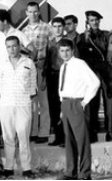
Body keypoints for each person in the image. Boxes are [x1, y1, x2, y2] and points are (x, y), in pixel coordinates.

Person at [77, 11, 112, 143]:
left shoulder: (107, 35)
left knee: (109, 105)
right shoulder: (82, 37)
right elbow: (78, 54)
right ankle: (92, 134)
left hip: (107, 74)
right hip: (92, 76)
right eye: (92, 20)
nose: (95, 22)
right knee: (92, 105)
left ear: (99, 21)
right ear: (87, 22)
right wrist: (85, 40)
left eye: (96, 20)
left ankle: (110, 133)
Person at [57, 38, 100, 180]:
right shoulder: (63, 66)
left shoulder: (79, 64)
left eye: (67, 50)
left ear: (72, 50)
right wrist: (63, 108)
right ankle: (71, 172)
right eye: (62, 51)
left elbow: (94, 83)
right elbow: (63, 89)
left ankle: (85, 174)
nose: (65, 53)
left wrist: (85, 101)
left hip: (77, 103)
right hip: (66, 104)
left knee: (82, 140)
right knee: (69, 140)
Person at [0, 36, 37, 179]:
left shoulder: (29, 62)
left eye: (14, 46)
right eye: (9, 46)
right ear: (6, 48)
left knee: (23, 137)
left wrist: (27, 99)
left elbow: (33, 85)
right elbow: (0, 84)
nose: (12, 49)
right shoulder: (2, 63)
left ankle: (26, 168)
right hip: (6, 104)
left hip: (23, 104)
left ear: (19, 46)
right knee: (8, 137)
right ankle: (8, 167)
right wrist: (5, 99)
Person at [0, 9, 28, 140]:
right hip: (1, 77)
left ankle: (19, 134)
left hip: (18, 76)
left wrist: (22, 50)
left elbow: (32, 51)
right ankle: (6, 135)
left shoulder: (19, 34)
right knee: (4, 107)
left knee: (18, 105)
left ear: (5, 21)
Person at [22, 2, 51, 144]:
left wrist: (44, 62)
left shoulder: (47, 28)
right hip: (29, 69)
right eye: (30, 11)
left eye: (35, 11)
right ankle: (33, 132)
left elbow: (52, 48)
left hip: (42, 67)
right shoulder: (23, 31)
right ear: (26, 13)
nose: (33, 14)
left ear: (39, 12)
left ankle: (44, 131)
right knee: (32, 103)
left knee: (43, 101)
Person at [45, 17, 66, 147]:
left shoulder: (68, 43)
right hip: (51, 77)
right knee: (53, 108)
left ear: (63, 28)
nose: (57, 29)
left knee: (63, 107)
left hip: (63, 76)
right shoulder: (49, 43)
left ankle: (65, 138)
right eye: (55, 26)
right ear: (51, 28)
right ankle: (58, 137)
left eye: (60, 26)